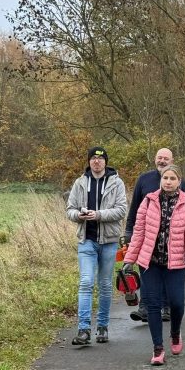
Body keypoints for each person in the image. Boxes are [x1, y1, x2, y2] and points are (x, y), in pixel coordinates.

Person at [123, 165, 185, 365]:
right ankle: (158, 348)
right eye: (165, 177)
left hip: (174, 263)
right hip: (150, 263)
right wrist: (129, 260)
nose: (168, 181)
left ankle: (175, 333)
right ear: (161, 180)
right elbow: (139, 232)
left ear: (179, 181)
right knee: (153, 304)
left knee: (177, 303)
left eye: (172, 178)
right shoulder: (148, 202)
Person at [66, 146, 127, 346]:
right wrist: (80, 215)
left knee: (105, 285)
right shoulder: (80, 183)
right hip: (87, 240)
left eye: (100, 159)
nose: (96, 162)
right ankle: (83, 330)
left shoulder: (116, 182)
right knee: (85, 282)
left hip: (108, 242)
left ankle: (102, 326)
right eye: (93, 158)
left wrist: (99, 215)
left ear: (105, 162)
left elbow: (121, 210)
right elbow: (70, 210)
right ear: (89, 161)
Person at [123, 148, 185, 323]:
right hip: (146, 236)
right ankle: (145, 307)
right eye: (159, 158)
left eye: (166, 158)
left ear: (172, 160)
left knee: (167, 270)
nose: (162, 161)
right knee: (146, 270)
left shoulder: (179, 181)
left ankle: (166, 308)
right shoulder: (144, 179)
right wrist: (129, 232)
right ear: (154, 159)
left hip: (170, 238)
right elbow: (134, 208)